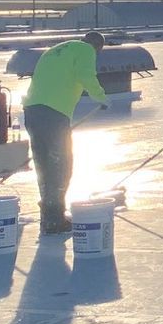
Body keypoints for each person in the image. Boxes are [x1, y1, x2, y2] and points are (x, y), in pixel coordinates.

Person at [24, 31, 110, 234]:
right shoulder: (87, 50)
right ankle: (55, 220)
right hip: (54, 114)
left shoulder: (55, 50)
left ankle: (48, 216)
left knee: (43, 165)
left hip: (32, 112)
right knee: (61, 165)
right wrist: (101, 97)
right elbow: (86, 75)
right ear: (98, 47)